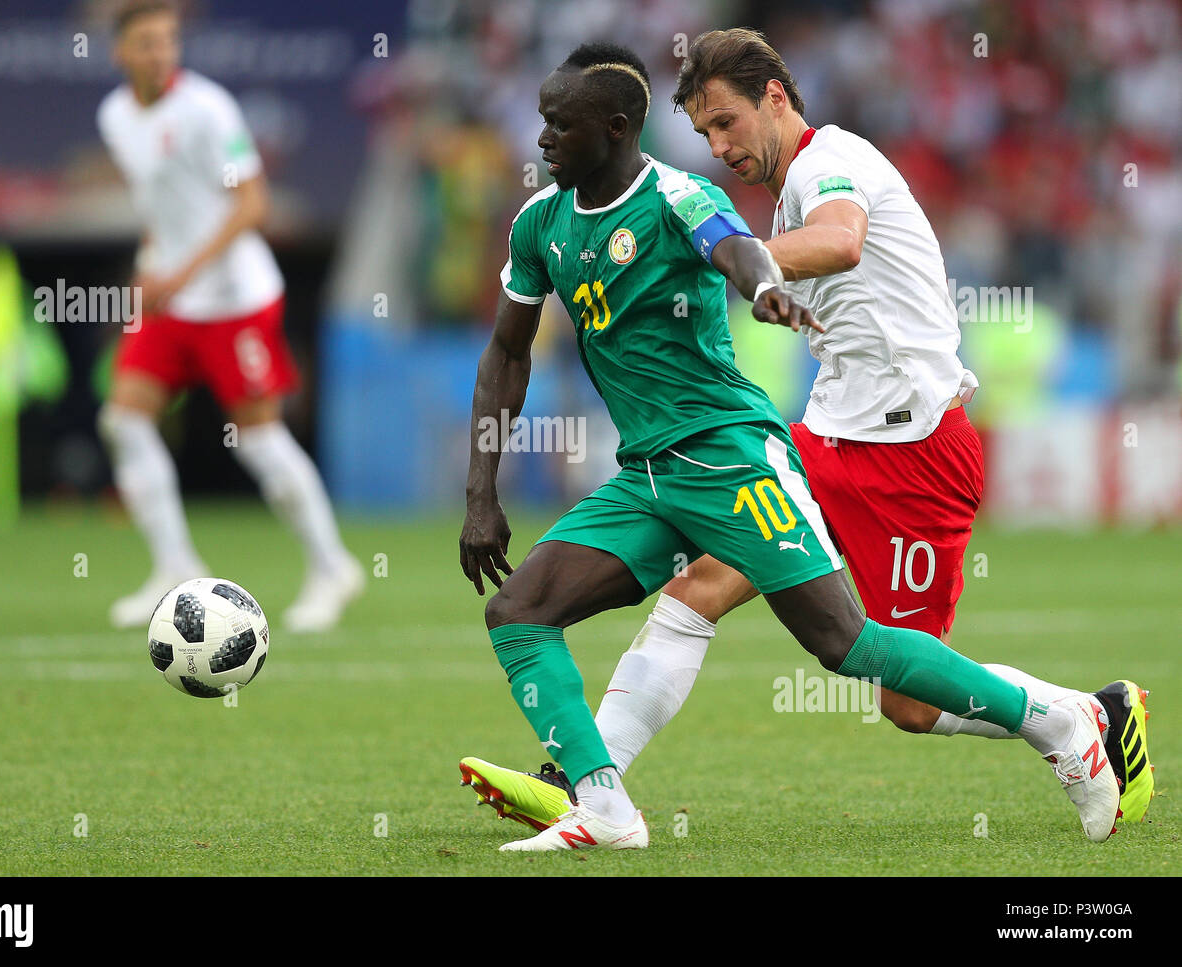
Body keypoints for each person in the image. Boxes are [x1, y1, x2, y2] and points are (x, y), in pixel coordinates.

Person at [458, 41, 1119, 852]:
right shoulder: (570, 219)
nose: (720, 145)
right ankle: (594, 794)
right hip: (802, 442)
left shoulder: (818, 165)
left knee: (869, 668)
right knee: (643, 596)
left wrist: (755, 275)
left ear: (775, 96)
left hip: (906, 447)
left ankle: (1069, 718)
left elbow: (832, 239)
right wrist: (479, 492)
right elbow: (512, 350)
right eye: (705, 133)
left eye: (728, 122)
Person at [95, 0, 362, 632]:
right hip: (170, 297)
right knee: (123, 419)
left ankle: (333, 568)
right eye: (147, 42)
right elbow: (162, 205)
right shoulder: (114, 116)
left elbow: (252, 203)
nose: (160, 52)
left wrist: (183, 270)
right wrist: (151, 263)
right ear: (119, 52)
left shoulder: (208, 110)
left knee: (258, 439)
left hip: (235, 297)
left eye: (168, 40)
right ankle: (174, 566)